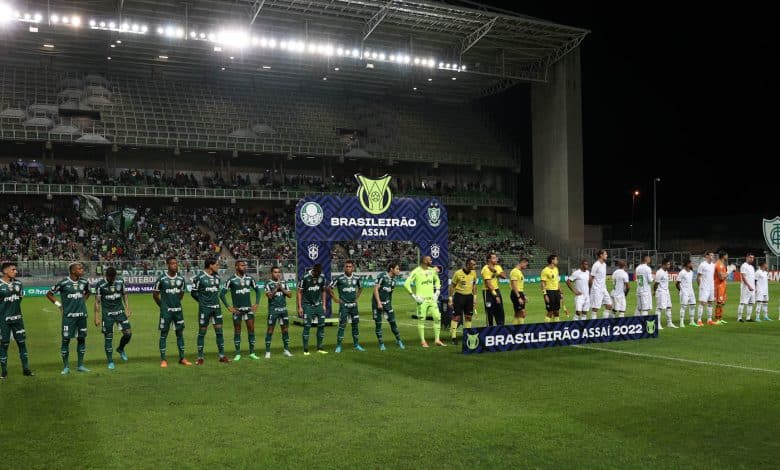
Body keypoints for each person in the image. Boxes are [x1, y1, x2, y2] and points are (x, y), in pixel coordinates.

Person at [47, 262, 91, 374]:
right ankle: (66, 367)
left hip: (81, 316)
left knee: (81, 339)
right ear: (73, 271)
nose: (82, 270)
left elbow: (88, 292)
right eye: (79, 269)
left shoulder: (85, 282)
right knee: (66, 340)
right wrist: (59, 305)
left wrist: (82, 302)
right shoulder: (63, 283)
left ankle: (80, 365)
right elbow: (49, 294)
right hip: (69, 317)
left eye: (82, 268)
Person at [153, 256, 192, 367]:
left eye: (176, 263)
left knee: (180, 334)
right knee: (164, 334)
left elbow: (181, 295)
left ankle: (182, 358)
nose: (175, 265)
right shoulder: (161, 279)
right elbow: (155, 295)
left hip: (178, 311)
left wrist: (175, 303)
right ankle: (163, 360)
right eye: (172, 263)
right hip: (166, 312)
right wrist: (162, 306)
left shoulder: (181, 279)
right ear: (168, 265)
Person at [220, 260, 261, 361]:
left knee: (251, 330)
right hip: (237, 311)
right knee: (237, 331)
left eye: (245, 265)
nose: (244, 267)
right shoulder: (231, 280)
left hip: (248, 310)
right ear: (236, 267)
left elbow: (258, 291)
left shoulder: (250, 278)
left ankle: (252, 353)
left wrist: (256, 303)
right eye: (242, 265)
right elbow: (222, 294)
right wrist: (229, 307)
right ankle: (238, 353)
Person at [192, 258, 230, 364]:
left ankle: (222, 356)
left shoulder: (217, 278)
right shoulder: (199, 278)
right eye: (216, 265)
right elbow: (193, 293)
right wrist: (202, 302)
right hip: (205, 309)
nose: (218, 267)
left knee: (219, 332)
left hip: (216, 308)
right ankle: (200, 357)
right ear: (210, 265)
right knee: (202, 332)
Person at [94, 267, 132, 369]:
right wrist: (96, 316)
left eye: (114, 278)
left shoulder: (120, 281)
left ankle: (120, 349)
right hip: (108, 314)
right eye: (110, 278)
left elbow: (124, 294)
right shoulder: (100, 285)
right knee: (108, 337)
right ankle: (110, 361)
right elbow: (97, 302)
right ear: (106, 276)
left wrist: (127, 308)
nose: (112, 280)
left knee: (128, 333)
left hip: (120, 312)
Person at [0, 261, 33, 379]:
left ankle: (26, 370)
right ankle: (4, 372)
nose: (16, 272)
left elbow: (19, 299)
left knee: (22, 343)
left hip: (18, 320)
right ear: (5, 271)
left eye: (15, 269)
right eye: (13, 269)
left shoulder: (18, 283)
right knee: (4, 345)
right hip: (3, 321)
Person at [404, 255, 446, 347]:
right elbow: (406, 284)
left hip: (432, 299)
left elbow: (437, 280)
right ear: (424, 261)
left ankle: (437, 340)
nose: (431, 261)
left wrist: (437, 292)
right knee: (422, 319)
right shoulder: (416, 271)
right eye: (429, 260)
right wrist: (414, 296)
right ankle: (423, 341)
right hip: (421, 300)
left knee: (437, 317)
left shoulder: (432, 271)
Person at [329, 260, 365, 353]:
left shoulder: (357, 278)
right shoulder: (339, 278)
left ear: (353, 268)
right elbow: (329, 288)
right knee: (342, 325)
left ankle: (356, 345)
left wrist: (357, 298)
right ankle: (338, 346)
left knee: (355, 325)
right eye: (346, 266)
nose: (348, 268)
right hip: (344, 306)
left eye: (350, 266)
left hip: (354, 306)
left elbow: (361, 288)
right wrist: (335, 299)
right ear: (344, 268)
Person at [373, 262, 405, 350]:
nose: (399, 270)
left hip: (387, 304)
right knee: (378, 324)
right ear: (391, 269)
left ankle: (399, 341)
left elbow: (390, 294)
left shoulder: (394, 281)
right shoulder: (382, 276)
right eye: (397, 268)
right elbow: (375, 290)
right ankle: (381, 344)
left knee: (393, 322)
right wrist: (379, 302)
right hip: (377, 304)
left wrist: (389, 305)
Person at [297, 264, 328, 355]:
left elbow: (323, 291)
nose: (318, 275)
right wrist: (300, 307)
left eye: (320, 273)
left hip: (319, 305)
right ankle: (306, 350)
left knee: (321, 326)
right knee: (307, 326)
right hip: (308, 306)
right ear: (314, 270)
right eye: (317, 273)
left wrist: (324, 305)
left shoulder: (322, 277)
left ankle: (320, 348)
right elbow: (299, 292)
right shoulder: (305, 277)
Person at [264, 266, 294, 358]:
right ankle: (268, 352)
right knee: (270, 330)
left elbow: (290, 295)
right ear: (271, 273)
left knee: (285, 330)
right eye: (275, 272)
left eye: (279, 272)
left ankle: (286, 350)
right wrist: (277, 288)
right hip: (273, 311)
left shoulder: (284, 283)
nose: (277, 274)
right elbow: (269, 296)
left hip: (283, 310)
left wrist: (282, 288)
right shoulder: (268, 283)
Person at [448, 258, 477, 343]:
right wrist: (450, 298)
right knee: (456, 317)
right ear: (468, 264)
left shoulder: (474, 273)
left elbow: (474, 285)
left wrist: (475, 297)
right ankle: (453, 337)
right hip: (459, 296)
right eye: (473, 264)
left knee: (468, 317)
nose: (475, 266)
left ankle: (467, 336)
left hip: (469, 297)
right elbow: (452, 286)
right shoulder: (458, 273)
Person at [480, 254, 506, 326]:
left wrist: (495, 271)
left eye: (496, 257)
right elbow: (488, 285)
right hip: (488, 292)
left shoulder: (498, 267)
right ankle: (490, 328)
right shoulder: (485, 269)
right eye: (494, 258)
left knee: (500, 310)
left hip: (496, 290)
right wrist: (496, 296)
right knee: (490, 311)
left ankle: (500, 327)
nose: (496, 259)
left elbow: (504, 276)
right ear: (489, 260)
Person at [589, 250, 614, 319]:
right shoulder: (596, 265)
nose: (607, 255)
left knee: (609, 305)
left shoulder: (604, 264)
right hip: (596, 289)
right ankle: (593, 323)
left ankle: (604, 322)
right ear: (601, 255)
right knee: (595, 309)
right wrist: (591, 289)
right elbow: (591, 278)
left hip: (603, 289)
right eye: (605, 254)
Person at [696, 251, 716, 325]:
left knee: (710, 302)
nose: (712, 257)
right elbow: (698, 277)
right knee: (702, 303)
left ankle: (709, 320)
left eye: (713, 255)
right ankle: (699, 320)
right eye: (711, 255)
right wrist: (700, 286)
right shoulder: (702, 265)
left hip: (711, 286)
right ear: (707, 256)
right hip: (704, 287)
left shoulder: (713, 265)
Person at [541, 254, 562, 322]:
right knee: (550, 311)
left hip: (556, 292)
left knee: (557, 311)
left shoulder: (556, 269)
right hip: (549, 292)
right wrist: (545, 294)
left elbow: (557, 281)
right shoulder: (545, 270)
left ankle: (557, 326)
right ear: (552, 260)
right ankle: (546, 327)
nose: (557, 261)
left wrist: (561, 292)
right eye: (556, 259)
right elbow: (543, 283)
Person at [675, 259, 696, 327]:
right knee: (683, 306)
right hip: (684, 292)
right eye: (691, 263)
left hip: (691, 291)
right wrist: (680, 290)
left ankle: (692, 321)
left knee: (693, 305)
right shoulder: (682, 272)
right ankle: (681, 322)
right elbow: (677, 283)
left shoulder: (691, 272)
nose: (692, 264)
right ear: (687, 264)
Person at [653, 258, 673, 329]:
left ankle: (669, 323)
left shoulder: (666, 271)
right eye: (668, 264)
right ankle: (657, 324)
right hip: (661, 292)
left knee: (669, 307)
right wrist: (654, 291)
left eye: (669, 264)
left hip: (666, 291)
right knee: (659, 308)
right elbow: (656, 284)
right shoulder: (660, 272)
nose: (669, 266)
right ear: (663, 265)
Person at [509, 258, 529, 325]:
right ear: (522, 263)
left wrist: (524, 295)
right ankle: (521, 329)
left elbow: (519, 286)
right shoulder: (515, 271)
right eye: (526, 265)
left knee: (517, 313)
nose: (526, 266)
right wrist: (518, 297)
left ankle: (514, 329)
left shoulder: (519, 272)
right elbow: (514, 285)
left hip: (519, 292)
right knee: (522, 313)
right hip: (516, 293)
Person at [737, 253, 756, 322]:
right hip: (745, 287)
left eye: (753, 258)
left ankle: (748, 318)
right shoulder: (744, 266)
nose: (752, 259)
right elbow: (743, 277)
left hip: (752, 288)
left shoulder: (752, 267)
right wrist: (748, 286)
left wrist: (754, 287)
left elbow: (753, 278)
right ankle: (739, 318)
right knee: (742, 302)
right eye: (750, 257)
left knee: (751, 303)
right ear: (747, 257)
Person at [713, 251, 729, 325]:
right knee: (719, 303)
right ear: (723, 256)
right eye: (726, 255)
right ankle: (717, 319)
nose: (727, 256)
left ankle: (720, 318)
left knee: (722, 303)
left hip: (723, 285)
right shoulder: (719, 264)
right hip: (719, 286)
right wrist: (729, 272)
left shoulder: (722, 264)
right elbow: (721, 277)